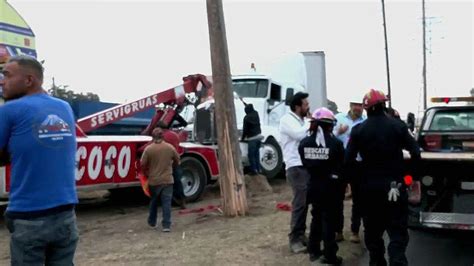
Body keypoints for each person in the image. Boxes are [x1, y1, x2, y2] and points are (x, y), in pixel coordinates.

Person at [0, 55, 79, 265]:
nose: (1, 81)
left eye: (7, 75)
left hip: (29, 216)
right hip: (66, 215)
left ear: (28, 80)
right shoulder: (64, 107)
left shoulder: (9, 110)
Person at [345, 89, 420, 266]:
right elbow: (415, 152)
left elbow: (348, 160)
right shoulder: (398, 126)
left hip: (368, 190)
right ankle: (397, 261)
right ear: (384, 105)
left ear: (366, 108)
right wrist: (411, 178)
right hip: (394, 187)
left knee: (372, 234)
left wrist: (357, 179)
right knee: (397, 234)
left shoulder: (358, 130)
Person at [299, 108, 344, 265]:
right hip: (331, 188)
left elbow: (306, 164)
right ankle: (330, 255)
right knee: (329, 222)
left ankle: (314, 250)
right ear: (329, 125)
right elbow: (341, 166)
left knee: (316, 218)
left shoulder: (304, 143)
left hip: (313, 186)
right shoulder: (336, 144)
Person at [279, 92, 311, 254]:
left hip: (305, 165)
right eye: (305, 104)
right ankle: (294, 240)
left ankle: (301, 234)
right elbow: (299, 135)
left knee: (305, 203)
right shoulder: (287, 120)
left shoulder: (302, 120)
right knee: (299, 203)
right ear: (297, 106)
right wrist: (310, 123)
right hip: (294, 166)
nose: (308, 107)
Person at [333, 100, 366, 243]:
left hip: (358, 163)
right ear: (350, 105)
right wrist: (338, 132)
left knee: (359, 199)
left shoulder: (365, 121)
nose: (358, 108)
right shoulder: (338, 118)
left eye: (360, 105)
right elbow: (328, 136)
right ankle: (338, 231)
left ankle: (354, 231)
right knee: (337, 198)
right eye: (355, 105)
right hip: (341, 163)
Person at [141, 127, 180, 232]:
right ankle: (166, 225)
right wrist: (172, 166)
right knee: (166, 203)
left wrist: (146, 172)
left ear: (153, 137)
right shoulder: (170, 147)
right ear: (163, 136)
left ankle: (152, 222)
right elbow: (177, 160)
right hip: (167, 179)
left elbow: (142, 163)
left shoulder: (148, 149)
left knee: (154, 201)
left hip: (154, 180)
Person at [157, 121, 186, 209]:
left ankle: (168, 202)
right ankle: (182, 201)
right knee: (177, 182)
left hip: (166, 163)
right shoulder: (174, 135)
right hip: (175, 162)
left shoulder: (161, 136)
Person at [241, 103, 263, 175]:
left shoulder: (246, 118)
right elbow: (251, 107)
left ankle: (254, 170)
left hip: (252, 139)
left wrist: (242, 139)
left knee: (251, 155)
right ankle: (259, 169)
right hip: (259, 137)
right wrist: (246, 104)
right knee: (257, 154)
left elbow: (245, 130)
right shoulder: (256, 114)